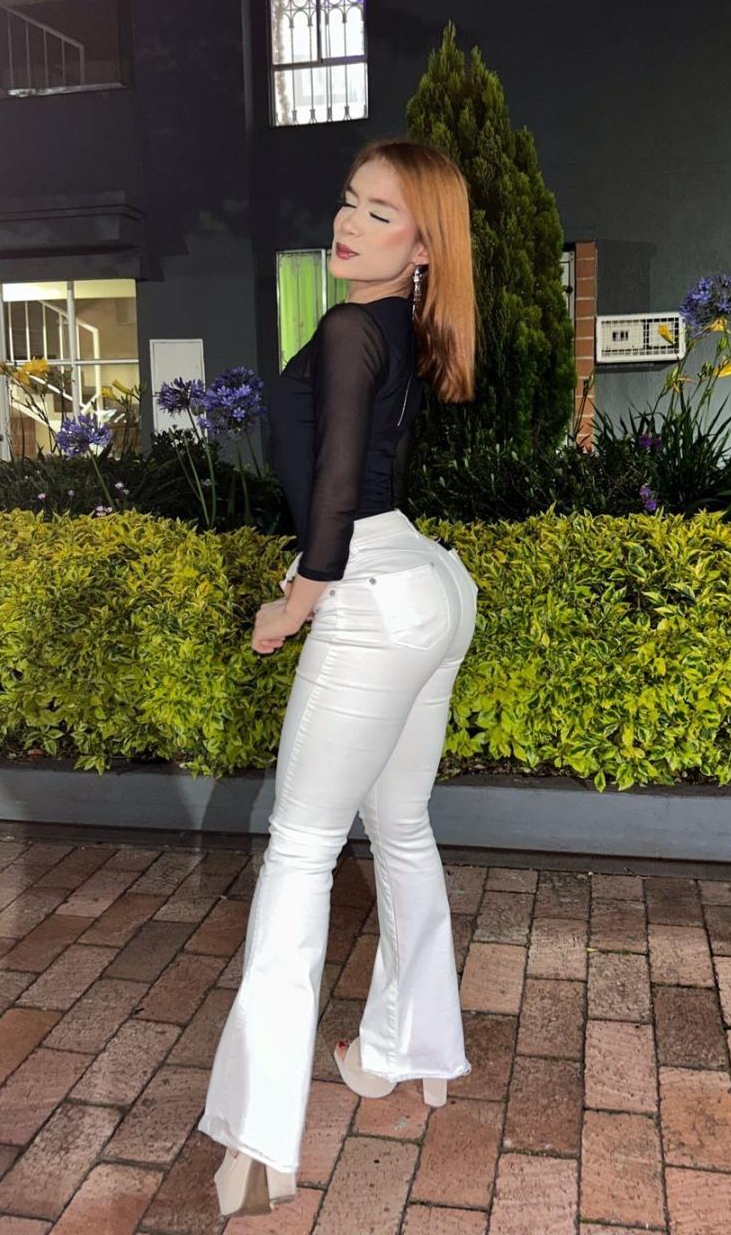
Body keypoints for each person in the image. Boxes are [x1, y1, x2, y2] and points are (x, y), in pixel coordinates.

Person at [195, 139, 482, 1217]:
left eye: (381, 214)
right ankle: (414, 1050)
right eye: (350, 203)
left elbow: (335, 488)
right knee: (399, 828)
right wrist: (316, 579)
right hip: (430, 585)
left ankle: (259, 1139)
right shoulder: (398, 326)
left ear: (424, 247)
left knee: (302, 849)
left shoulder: (352, 328)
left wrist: (295, 601)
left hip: (367, 590)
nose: (349, 225)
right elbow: (362, 484)